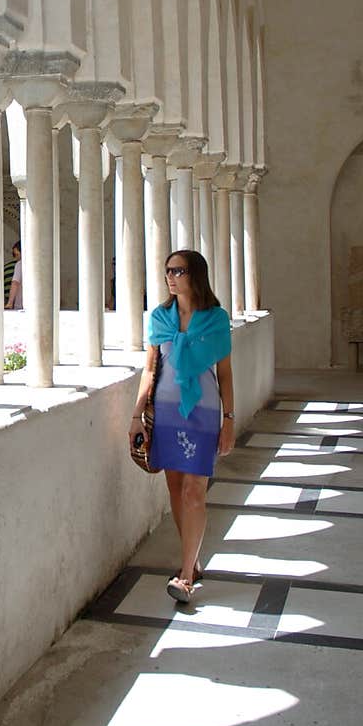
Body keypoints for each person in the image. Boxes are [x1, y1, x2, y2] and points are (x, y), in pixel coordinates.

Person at [129, 250, 234, 604]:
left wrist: (229, 420)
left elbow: (225, 373)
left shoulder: (216, 319)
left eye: (178, 271)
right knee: (175, 487)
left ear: (196, 275)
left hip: (203, 414)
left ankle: (186, 576)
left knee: (194, 491)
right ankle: (192, 555)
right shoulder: (160, 318)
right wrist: (136, 414)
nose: (170, 277)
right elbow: (149, 369)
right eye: (167, 271)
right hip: (167, 411)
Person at [5, 241, 23, 310]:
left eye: (16, 255)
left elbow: (15, 283)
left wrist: (9, 303)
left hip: (21, 306)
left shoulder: (19, 264)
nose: (15, 258)